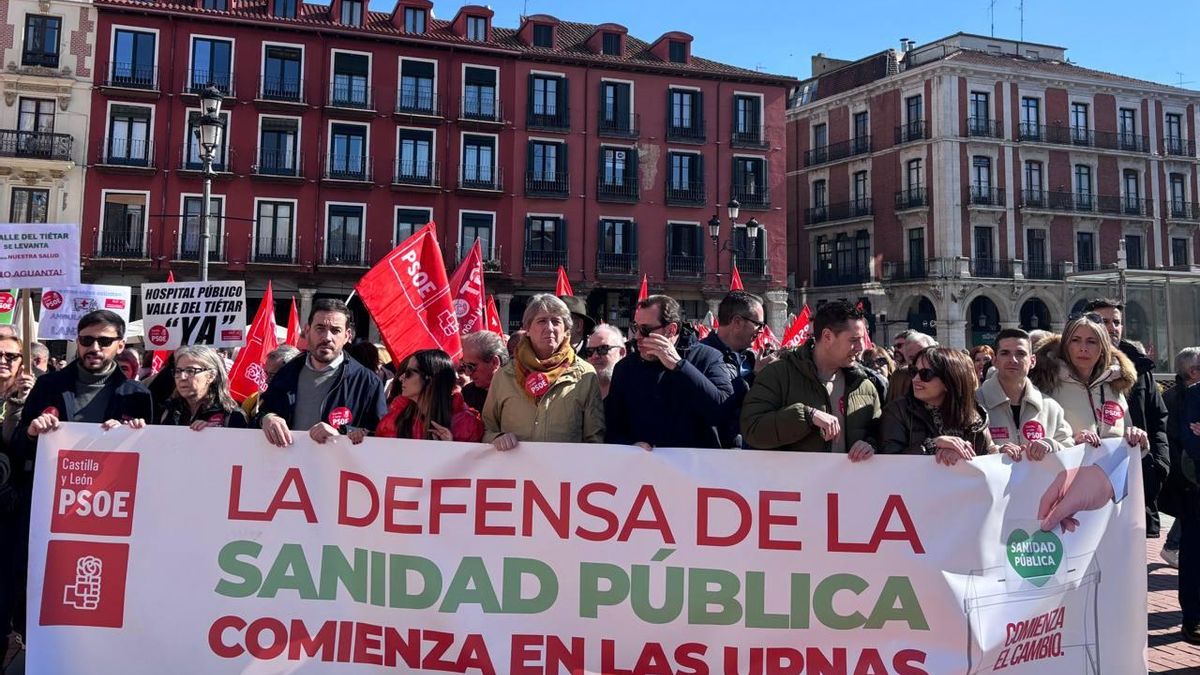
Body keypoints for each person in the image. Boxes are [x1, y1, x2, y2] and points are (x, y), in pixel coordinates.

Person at [7, 311, 153, 661]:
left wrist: (137, 435)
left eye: (104, 341)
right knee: (45, 579)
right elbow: (19, 448)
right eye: (86, 340)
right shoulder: (49, 385)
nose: (94, 348)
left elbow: (148, 458)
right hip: (50, 503)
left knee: (99, 582)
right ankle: (38, 646)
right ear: (77, 341)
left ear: (120, 345)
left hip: (106, 511)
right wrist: (31, 431)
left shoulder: (136, 394)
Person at [740, 300, 880, 459]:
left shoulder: (864, 384)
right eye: (854, 340)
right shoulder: (779, 374)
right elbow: (752, 429)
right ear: (827, 336)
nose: (861, 347)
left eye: (862, 339)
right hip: (793, 482)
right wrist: (806, 416)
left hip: (850, 482)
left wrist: (871, 444)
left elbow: (879, 432)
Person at [1083, 298, 1171, 538]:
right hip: (1087, 484)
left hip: (1138, 477)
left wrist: (1159, 466)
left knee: (1133, 566)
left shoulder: (1140, 369)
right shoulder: (1071, 369)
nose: (1112, 328)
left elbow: (1158, 419)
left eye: (1117, 322)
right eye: (1104, 321)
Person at [605, 295, 733, 449]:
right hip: (641, 467)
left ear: (671, 329)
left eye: (645, 330)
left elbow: (724, 410)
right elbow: (613, 427)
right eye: (635, 327)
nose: (637, 336)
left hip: (694, 467)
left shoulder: (707, 358)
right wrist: (629, 445)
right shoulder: (625, 368)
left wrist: (679, 366)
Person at [257, 299, 387, 447]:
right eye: (320, 328)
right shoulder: (286, 372)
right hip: (289, 468)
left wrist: (341, 435)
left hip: (339, 468)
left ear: (347, 336)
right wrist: (267, 418)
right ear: (307, 331)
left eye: (335, 330)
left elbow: (379, 435)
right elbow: (262, 413)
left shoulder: (367, 382)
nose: (327, 337)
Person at [482, 294, 604, 449]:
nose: (550, 328)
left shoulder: (585, 375)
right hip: (515, 470)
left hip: (564, 471)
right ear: (527, 328)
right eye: (541, 321)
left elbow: (594, 438)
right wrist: (496, 438)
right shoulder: (505, 375)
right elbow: (487, 428)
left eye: (556, 321)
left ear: (566, 329)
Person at [1030, 315, 1148, 454]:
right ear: (1065, 346)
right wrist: (1074, 443)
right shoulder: (1046, 385)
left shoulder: (1114, 384)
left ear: (1103, 348)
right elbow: (1036, 443)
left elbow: (1129, 448)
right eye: (1075, 340)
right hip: (1065, 474)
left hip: (1110, 474)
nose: (1083, 348)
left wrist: (1138, 441)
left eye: (1091, 342)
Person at [880, 347, 994, 463]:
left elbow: (987, 455)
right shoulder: (897, 411)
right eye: (914, 371)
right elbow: (891, 463)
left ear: (949, 380)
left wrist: (1003, 452)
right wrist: (932, 444)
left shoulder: (974, 415)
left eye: (926, 374)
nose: (915, 379)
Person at [977, 329, 1072, 461]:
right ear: (994, 360)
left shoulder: (1050, 407)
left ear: (1032, 361)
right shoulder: (974, 403)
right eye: (1005, 353)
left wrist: (1052, 446)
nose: (1013, 360)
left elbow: (1070, 450)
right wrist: (996, 452)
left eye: (1021, 354)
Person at [701, 291, 778, 447]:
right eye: (758, 324)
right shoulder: (700, 357)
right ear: (737, 322)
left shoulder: (752, 357)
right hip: (715, 455)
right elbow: (715, 404)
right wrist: (754, 376)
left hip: (751, 453)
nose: (761, 331)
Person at [374, 349, 484, 442]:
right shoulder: (394, 420)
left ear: (430, 379)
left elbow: (473, 465)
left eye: (409, 373)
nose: (401, 378)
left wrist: (451, 447)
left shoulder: (466, 425)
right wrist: (361, 438)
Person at [1161, 346, 1200, 567]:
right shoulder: (1182, 397)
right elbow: (1180, 434)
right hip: (1185, 469)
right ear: (1193, 372)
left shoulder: (1175, 394)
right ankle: (1173, 545)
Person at [159, 345, 248, 429]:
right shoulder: (167, 411)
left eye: (190, 371)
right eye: (178, 371)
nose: (182, 377)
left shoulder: (232, 415)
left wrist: (215, 434)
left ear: (211, 376)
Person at [241, 345, 302, 417]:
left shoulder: (304, 403)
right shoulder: (253, 400)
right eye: (266, 374)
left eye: (273, 375)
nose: (266, 381)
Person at [458, 331, 507, 411]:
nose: (467, 373)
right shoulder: (467, 394)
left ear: (495, 362)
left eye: (471, 366)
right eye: (465, 366)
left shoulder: (518, 390)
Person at [887, 331, 937, 403]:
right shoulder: (900, 375)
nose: (917, 361)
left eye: (921, 355)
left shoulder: (942, 373)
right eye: (912, 358)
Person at [582, 324, 626, 399]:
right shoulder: (580, 392)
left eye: (603, 349)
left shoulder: (634, 391)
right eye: (590, 351)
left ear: (621, 352)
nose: (595, 356)